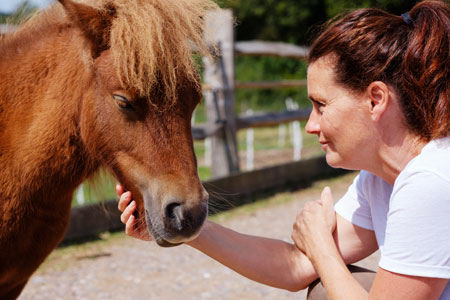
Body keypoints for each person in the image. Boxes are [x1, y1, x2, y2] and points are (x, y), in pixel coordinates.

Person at [117, 0, 450, 298]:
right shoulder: (381, 179)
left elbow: (315, 260)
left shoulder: (431, 182)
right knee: (324, 288)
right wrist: (188, 229)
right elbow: (294, 267)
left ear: (375, 100)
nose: (311, 125)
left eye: (321, 105)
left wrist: (321, 249)